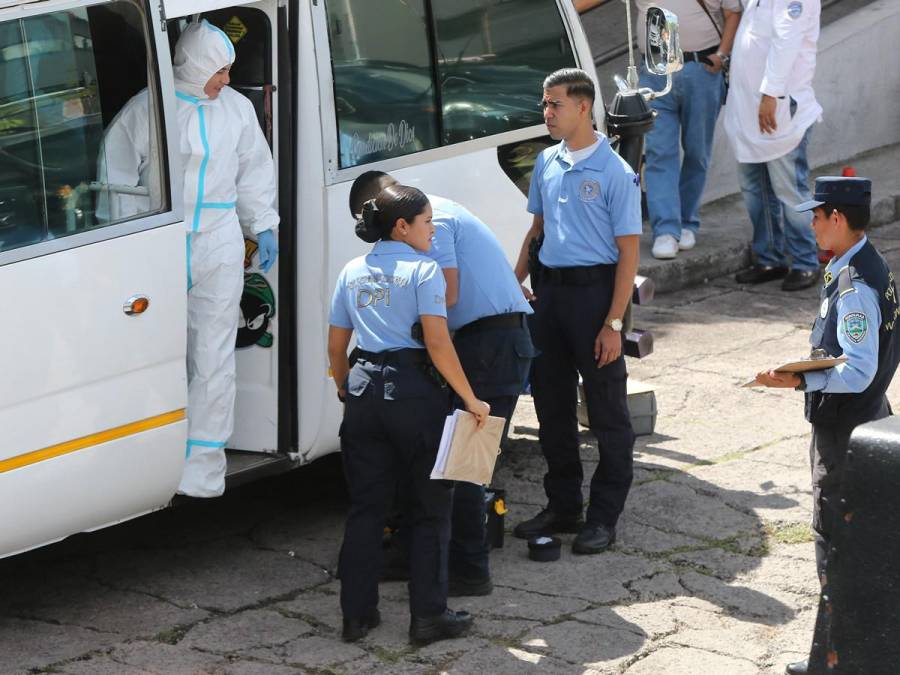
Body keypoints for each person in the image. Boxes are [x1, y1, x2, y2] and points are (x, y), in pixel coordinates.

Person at [99, 20, 279, 497]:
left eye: (226, 71)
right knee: (154, 352)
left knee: (213, 353)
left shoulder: (236, 110)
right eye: (218, 71)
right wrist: (129, 237)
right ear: (195, 66)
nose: (224, 80)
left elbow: (254, 168)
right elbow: (117, 175)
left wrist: (261, 221)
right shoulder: (148, 110)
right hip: (162, 237)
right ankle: (150, 461)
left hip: (218, 238)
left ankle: (201, 470)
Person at [348, 171, 537, 597]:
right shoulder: (424, 220)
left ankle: (468, 570)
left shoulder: (436, 219)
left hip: (491, 342)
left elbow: (446, 295)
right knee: (433, 458)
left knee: (463, 463)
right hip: (479, 341)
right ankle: (415, 554)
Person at [328, 185, 490, 645]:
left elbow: (336, 346)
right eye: (426, 222)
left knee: (366, 509)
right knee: (429, 510)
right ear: (402, 227)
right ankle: (428, 618)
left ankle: (356, 617)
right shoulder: (425, 271)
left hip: (364, 392)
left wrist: (344, 385)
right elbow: (438, 344)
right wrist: (471, 399)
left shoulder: (352, 270)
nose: (433, 229)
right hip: (416, 396)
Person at [754, 176, 900, 675]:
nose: (812, 224)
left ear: (837, 218)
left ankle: (835, 660)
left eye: (816, 215)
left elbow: (857, 370)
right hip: (866, 423)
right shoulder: (864, 265)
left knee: (835, 543)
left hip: (846, 432)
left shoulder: (855, 285)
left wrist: (797, 383)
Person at [512, 68, 641, 554]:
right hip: (549, 297)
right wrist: (514, 283)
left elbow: (628, 253)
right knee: (552, 407)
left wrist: (613, 322)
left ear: (584, 107)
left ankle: (604, 516)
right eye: (544, 104)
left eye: (555, 104)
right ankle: (564, 504)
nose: (546, 113)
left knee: (607, 412)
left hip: (594, 298)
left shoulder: (614, 172)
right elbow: (537, 231)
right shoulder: (546, 161)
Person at [724, 0, 822, 292]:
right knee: (756, 191)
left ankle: (805, 262)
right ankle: (769, 258)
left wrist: (771, 93)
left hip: (778, 108)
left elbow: (787, 41)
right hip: (748, 113)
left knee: (790, 192)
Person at [639, 0, 741, 260]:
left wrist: (722, 55)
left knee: (697, 152)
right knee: (659, 152)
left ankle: (685, 221)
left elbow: (732, 13)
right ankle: (665, 229)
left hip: (702, 68)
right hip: (654, 72)